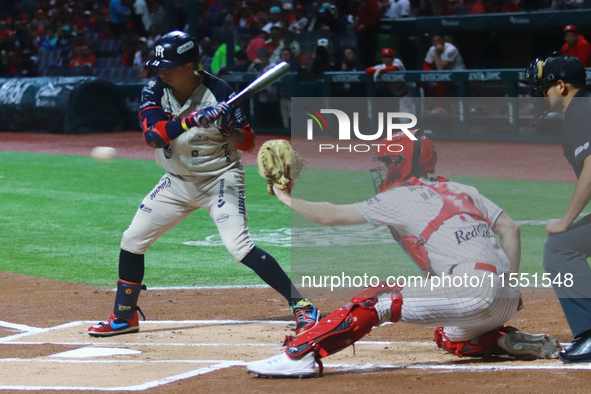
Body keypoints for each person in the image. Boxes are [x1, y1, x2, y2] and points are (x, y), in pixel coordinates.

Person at [247, 130, 561, 377]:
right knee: (447, 335)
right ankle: (502, 339)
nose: (383, 168)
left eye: (388, 162)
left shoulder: (403, 197)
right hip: (502, 299)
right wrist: (512, 287)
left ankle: (300, 354)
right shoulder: (465, 189)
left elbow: (329, 215)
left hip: (472, 290)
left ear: (404, 162)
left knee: (377, 300)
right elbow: (511, 229)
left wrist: (282, 195)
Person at [87, 31, 319, 338]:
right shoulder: (155, 89)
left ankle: (302, 305)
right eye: (158, 65)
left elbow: (247, 142)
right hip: (176, 181)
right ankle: (124, 316)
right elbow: (153, 136)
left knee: (240, 247)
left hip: (219, 179)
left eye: (168, 65)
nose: (161, 71)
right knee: (132, 239)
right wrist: (192, 120)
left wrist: (227, 130)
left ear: (190, 65)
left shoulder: (220, 90)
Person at [526, 54, 591, 363]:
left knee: (560, 247)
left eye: (544, 88)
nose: (541, 95)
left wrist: (567, 220)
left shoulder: (581, 110)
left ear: (561, 86)